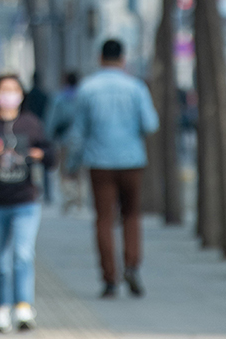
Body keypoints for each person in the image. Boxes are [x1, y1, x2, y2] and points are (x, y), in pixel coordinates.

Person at [66, 39, 159, 299]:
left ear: (100, 58)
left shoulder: (88, 89)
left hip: (99, 163)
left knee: (104, 219)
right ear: (123, 58)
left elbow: (78, 133)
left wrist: (72, 165)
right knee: (131, 215)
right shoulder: (136, 87)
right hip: (132, 161)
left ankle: (109, 278)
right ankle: (132, 265)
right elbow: (150, 124)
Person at [0, 74, 54, 333]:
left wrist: (39, 154)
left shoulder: (31, 124)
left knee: (23, 255)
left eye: (13, 90)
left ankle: (24, 306)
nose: (8, 95)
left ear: (21, 94)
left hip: (26, 200)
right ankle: (1, 308)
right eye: (3, 90)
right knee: (0, 260)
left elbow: (50, 156)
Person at [45, 71, 83, 211]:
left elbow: (52, 120)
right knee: (79, 171)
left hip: (64, 140)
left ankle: (69, 199)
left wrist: (48, 137)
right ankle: (79, 200)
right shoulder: (83, 96)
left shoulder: (60, 98)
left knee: (65, 170)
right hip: (81, 141)